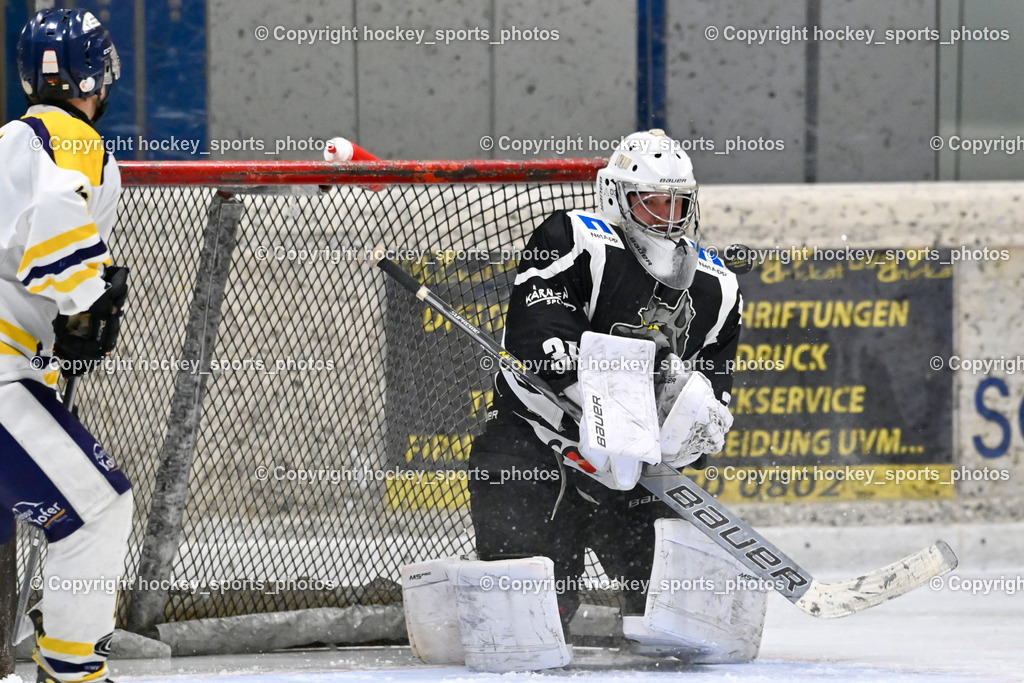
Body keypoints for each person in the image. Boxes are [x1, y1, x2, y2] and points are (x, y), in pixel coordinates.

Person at [467, 130, 744, 656]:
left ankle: (649, 609)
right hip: (537, 447)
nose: (668, 215)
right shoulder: (574, 237)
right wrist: (610, 408)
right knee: (527, 629)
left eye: (679, 202)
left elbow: (713, 390)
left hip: (639, 472)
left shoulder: (718, 286)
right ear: (617, 196)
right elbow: (538, 335)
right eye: (653, 201)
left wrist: (693, 426)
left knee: (675, 626)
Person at [0, 9, 132, 683]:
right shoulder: (69, 136)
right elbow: (56, 218)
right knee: (99, 509)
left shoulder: (13, 137)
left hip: (16, 366)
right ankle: (73, 670)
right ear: (99, 74)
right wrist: (88, 295)